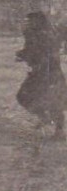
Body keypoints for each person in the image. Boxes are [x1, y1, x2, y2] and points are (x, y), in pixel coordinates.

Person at [15, 11, 65, 139]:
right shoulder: (32, 35)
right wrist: (23, 54)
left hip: (50, 72)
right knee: (23, 96)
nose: (27, 23)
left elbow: (46, 52)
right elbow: (31, 51)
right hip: (39, 72)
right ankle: (45, 117)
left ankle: (58, 129)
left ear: (38, 22)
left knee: (54, 101)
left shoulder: (45, 35)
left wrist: (26, 55)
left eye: (30, 21)